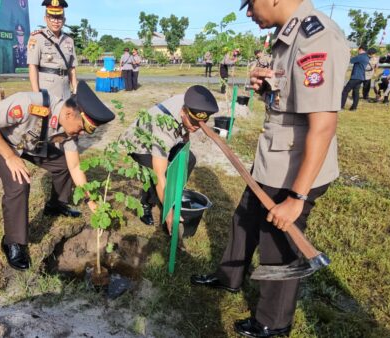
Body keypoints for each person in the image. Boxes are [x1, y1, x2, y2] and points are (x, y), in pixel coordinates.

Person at [190, 0, 349, 337]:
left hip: (296, 169)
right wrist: (265, 88)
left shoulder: (315, 39)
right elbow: (289, 99)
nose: (248, 12)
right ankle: (229, 278)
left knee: (278, 242)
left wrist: (297, 198)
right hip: (272, 162)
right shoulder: (286, 37)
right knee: (245, 218)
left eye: (251, 3)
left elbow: (323, 126)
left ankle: (273, 322)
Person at [0, 81, 115, 270]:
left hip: (27, 144)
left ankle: (55, 205)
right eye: (82, 128)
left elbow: (74, 166)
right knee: (19, 183)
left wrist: (92, 202)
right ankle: (13, 242)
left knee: (63, 164)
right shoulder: (27, 104)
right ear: (69, 113)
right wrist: (9, 156)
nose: (81, 134)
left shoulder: (68, 127)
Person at [120, 85, 218, 231]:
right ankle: (146, 203)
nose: (196, 127)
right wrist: (169, 214)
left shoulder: (190, 102)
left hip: (164, 139)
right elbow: (159, 175)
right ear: (183, 112)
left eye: (200, 124)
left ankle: (172, 194)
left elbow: (186, 132)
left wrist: (187, 135)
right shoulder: (164, 129)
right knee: (157, 173)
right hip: (139, 144)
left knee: (188, 159)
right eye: (193, 123)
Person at [27, 0, 77, 100]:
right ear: (45, 19)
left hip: (65, 91)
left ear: (64, 20)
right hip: (47, 91)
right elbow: (33, 67)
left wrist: (75, 90)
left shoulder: (69, 40)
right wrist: (37, 96)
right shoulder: (37, 38)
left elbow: (72, 68)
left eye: (59, 18)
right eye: (52, 17)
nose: (56, 21)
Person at [341, 46, 369, 111]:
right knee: (356, 92)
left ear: (361, 49)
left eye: (358, 50)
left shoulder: (360, 56)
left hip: (355, 77)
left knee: (345, 91)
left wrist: (349, 54)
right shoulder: (366, 57)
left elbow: (351, 60)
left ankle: (341, 106)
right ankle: (354, 108)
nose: (358, 51)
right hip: (361, 77)